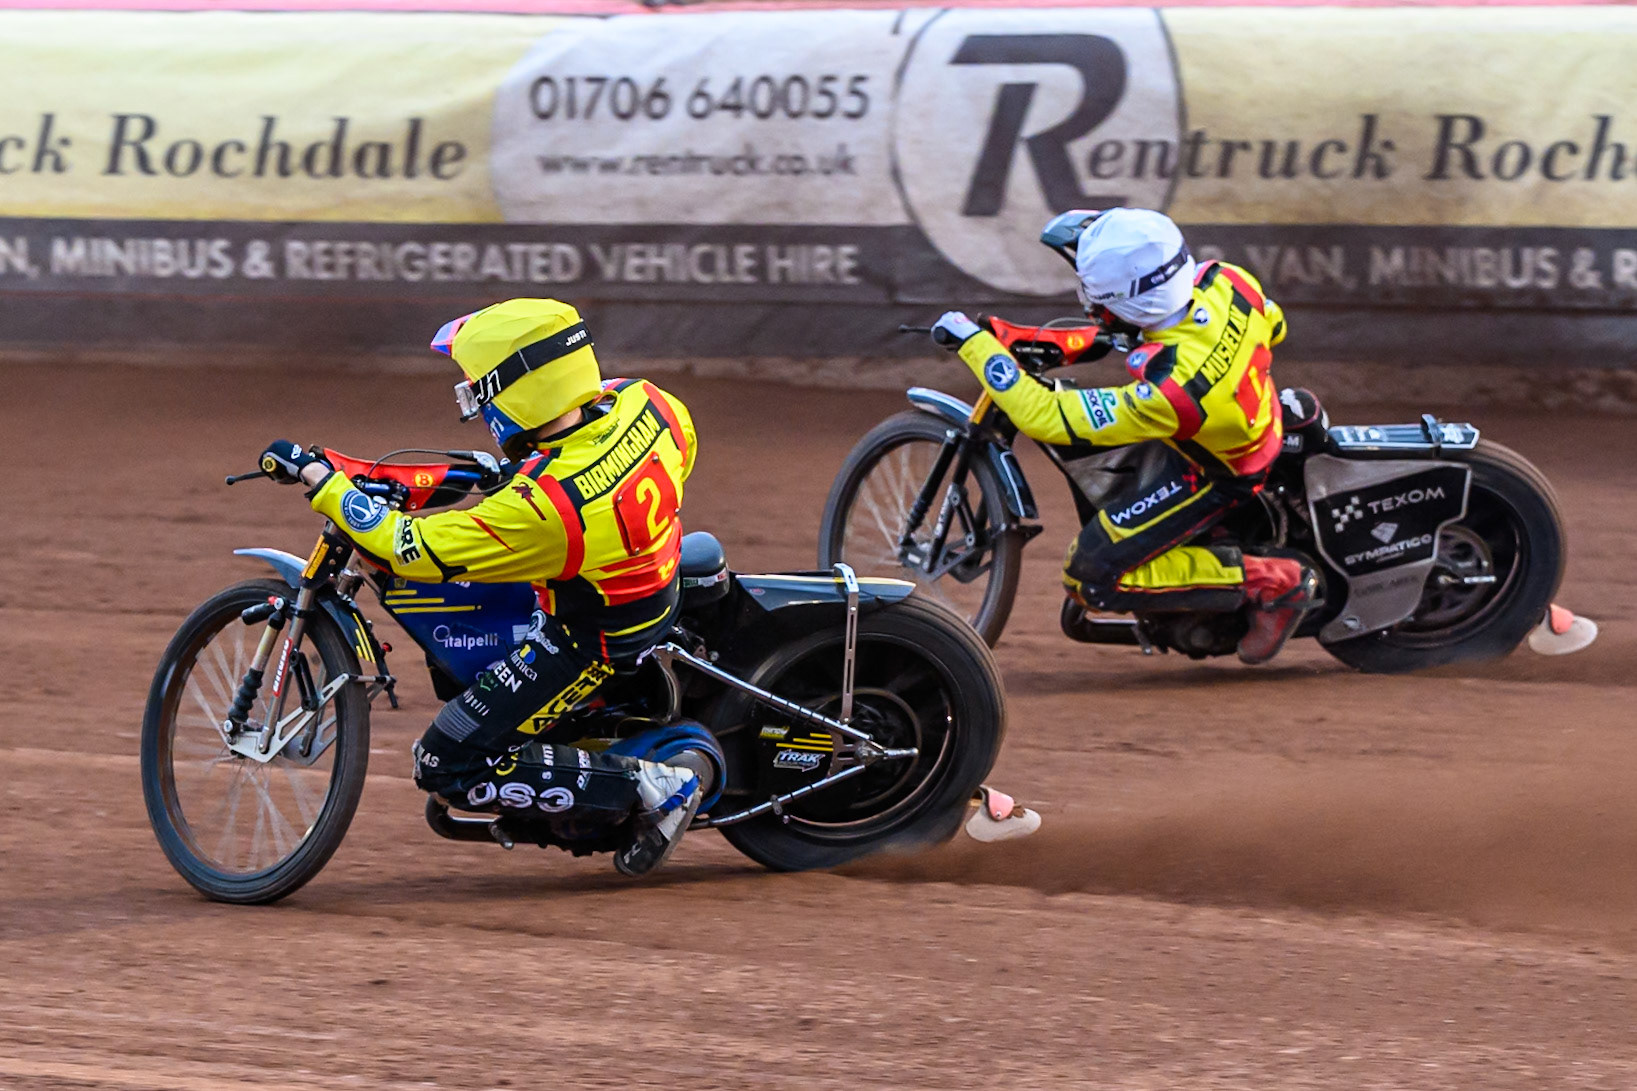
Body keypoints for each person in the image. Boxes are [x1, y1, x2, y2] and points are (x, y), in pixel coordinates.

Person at [258, 298, 703, 875]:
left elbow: (405, 548)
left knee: (442, 764)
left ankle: (654, 787)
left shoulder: (548, 507)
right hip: (650, 583)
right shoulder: (651, 403)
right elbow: (666, 454)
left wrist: (322, 482)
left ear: (516, 390)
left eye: (476, 390)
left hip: (588, 642)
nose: (475, 405)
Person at [928, 208, 1318, 664]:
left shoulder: (1169, 391)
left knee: (1090, 576)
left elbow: (1047, 416)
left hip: (1216, 471)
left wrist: (972, 346)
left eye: (1099, 299)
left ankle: (1273, 579)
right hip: (1246, 416)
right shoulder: (1228, 280)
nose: (1092, 306)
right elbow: (1274, 323)